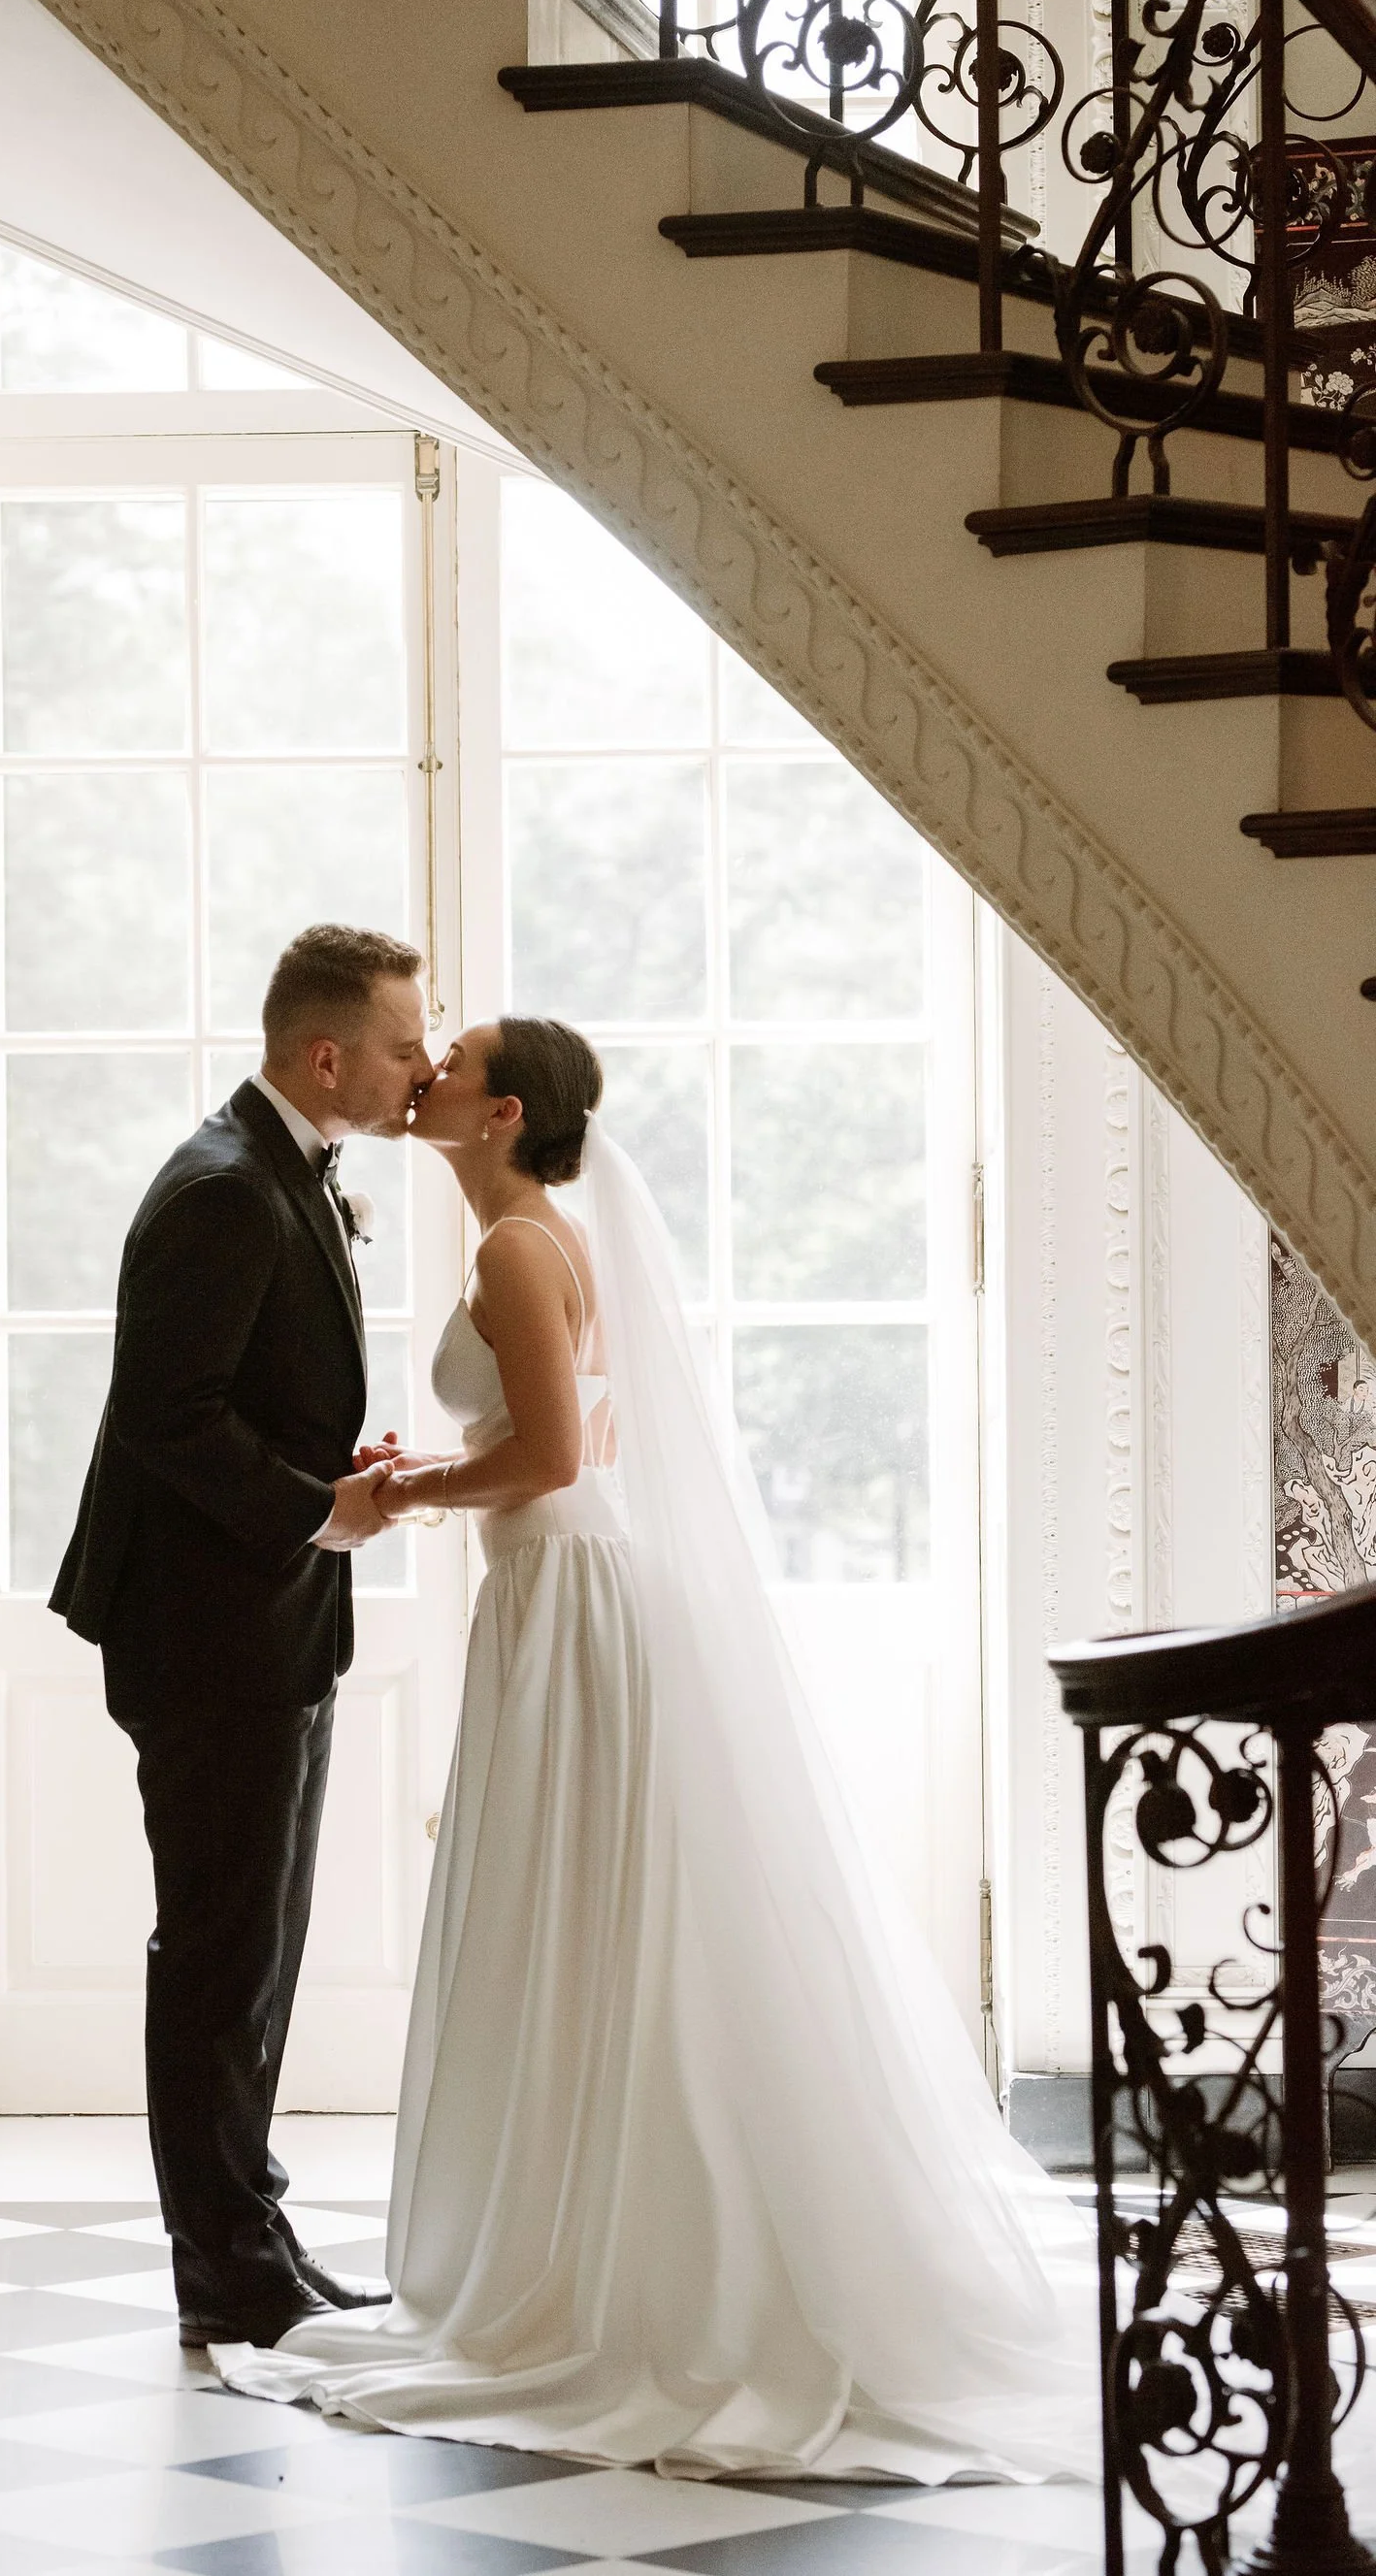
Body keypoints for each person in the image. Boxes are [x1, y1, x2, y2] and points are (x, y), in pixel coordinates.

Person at [218, 1018, 1095, 2481]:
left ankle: (621, 2267)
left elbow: (556, 1457)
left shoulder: (517, 1249)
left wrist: (406, 1488)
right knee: (588, 1919)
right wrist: (429, 1477)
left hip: (563, 1589)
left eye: (451, 1063)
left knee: (580, 1916)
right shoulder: (543, 1234)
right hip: (557, 1586)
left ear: (500, 1112)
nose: (420, 1068)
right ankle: (596, 2222)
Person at [52, 924, 433, 2350]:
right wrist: (317, 1510)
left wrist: (332, 1472)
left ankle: (251, 2229)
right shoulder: (222, 1186)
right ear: (326, 1052)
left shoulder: (277, 1166)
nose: (424, 1063)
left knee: (257, 1944)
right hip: (209, 1632)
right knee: (219, 1948)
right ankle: (220, 2259)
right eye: (405, 1041)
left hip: (267, 1620)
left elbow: (241, 1396)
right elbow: (167, 1417)